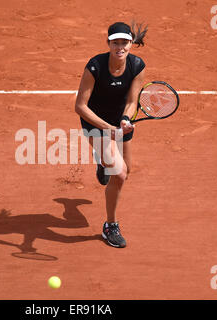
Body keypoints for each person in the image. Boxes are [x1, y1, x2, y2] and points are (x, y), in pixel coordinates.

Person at [75, 21, 147, 248]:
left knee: (127, 168)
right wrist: (108, 129)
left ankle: (103, 161)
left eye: (124, 42)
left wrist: (126, 119)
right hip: (94, 122)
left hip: (119, 121)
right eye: (115, 42)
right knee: (120, 174)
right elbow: (80, 106)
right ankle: (110, 226)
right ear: (108, 43)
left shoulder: (137, 66)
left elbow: (132, 101)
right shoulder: (95, 66)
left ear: (131, 44)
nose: (120, 47)